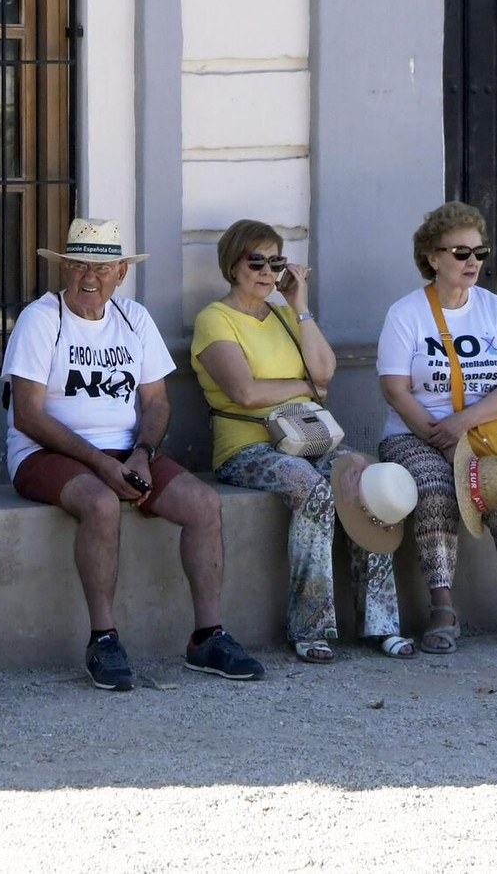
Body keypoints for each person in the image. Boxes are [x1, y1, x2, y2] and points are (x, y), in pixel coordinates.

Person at [2, 217, 264, 690]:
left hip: (126, 451)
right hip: (44, 452)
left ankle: (208, 636)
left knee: (204, 503)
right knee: (101, 503)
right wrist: (102, 463)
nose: (90, 277)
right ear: (64, 269)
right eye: (80, 266)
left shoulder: (133, 317)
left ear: (121, 273)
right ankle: (102, 638)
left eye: (103, 269)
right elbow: (27, 415)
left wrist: (142, 453)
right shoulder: (41, 318)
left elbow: (157, 401)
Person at [193, 220, 413, 664]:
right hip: (248, 447)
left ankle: (382, 623)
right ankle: (310, 627)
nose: (267, 272)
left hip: (309, 437)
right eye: (256, 261)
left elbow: (325, 371)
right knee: (312, 489)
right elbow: (245, 392)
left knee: (366, 481)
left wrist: (300, 305)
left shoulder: (282, 315)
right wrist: (305, 388)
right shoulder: (215, 319)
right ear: (232, 265)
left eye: (275, 262)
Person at [376, 201, 497, 653]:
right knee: (435, 491)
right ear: (432, 258)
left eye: (479, 252)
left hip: (482, 432)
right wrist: (438, 435)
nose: (472, 261)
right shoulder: (406, 314)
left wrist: (462, 425)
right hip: (414, 434)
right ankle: (442, 608)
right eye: (460, 252)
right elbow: (395, 389)